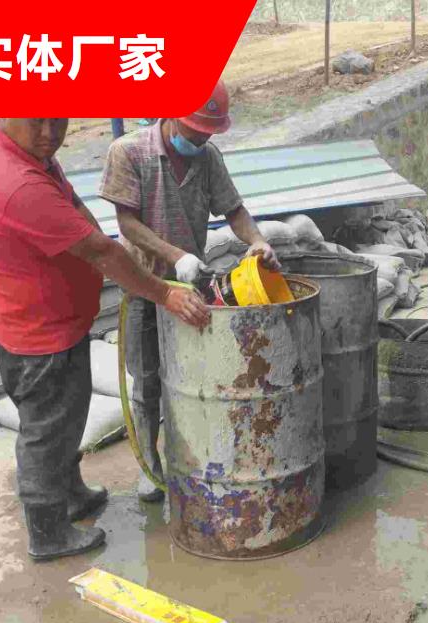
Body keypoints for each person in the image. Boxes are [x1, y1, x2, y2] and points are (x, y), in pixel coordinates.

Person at [0, 118, 210, 561]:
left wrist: (93, 237)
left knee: (65, 422)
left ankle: (71, 494)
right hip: (40, 337)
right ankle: (48, 532)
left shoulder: (25, 153)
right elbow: (100, 250)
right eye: (37, 122)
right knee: (46, 434)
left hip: (49, 323)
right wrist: (164, 294)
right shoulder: (17, 183)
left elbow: (74, 207)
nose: (50, 133)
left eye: (58, 120)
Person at [99, 80, 279, 503]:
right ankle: (150, 463)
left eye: (208, 133)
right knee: (146, 382)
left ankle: (192, 455)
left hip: (190, 288)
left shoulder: (208, 157)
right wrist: (176, 255)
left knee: (195, 378)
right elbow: (126, 224)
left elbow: (234, 210)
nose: (200, 139)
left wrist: (257, 240)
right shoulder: (129, 152)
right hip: (144, 286)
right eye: (196, 130)